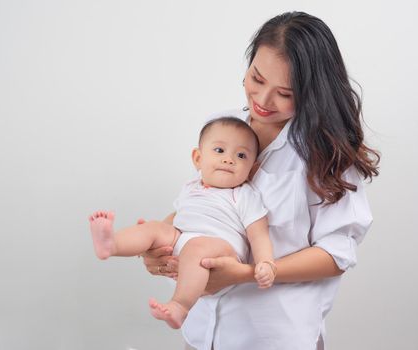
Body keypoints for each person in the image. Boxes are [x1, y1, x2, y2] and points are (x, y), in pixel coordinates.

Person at [140, 11, 380, 350]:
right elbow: (207, 199)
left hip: (274, 336)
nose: (264, 101)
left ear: (313, 92)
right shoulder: (223, 127)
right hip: (202, 331)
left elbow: (336, 254)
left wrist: (250, 273)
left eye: (285, 93)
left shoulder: (327, 153)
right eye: (257, 78)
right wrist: (158, 248)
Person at [88, 117, 276, 330]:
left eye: (241, 155)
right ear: (198, 158)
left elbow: (259, 234)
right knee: (153, 228)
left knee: (196, 247)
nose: (229, 159)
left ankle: (180, 306)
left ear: (252, 169)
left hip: (222, 251)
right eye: (219, 151)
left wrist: (266, 263)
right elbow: (177, 217)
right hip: (182, 240)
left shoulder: (244, 195)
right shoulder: (191, 186)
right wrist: (152, 234)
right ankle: (111, 244)